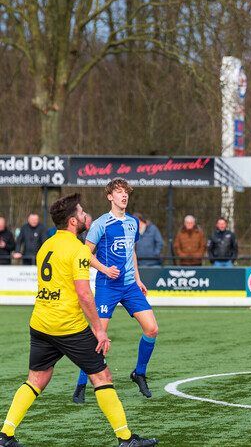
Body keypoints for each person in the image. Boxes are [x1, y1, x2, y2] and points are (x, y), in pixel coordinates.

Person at [0, 193, 157, 447]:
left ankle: (5, 435)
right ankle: (126, 439)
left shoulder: (47, 245)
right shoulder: (78, 250)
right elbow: (84, 295)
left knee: (36, 379)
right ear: (73, 221)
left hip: (40, 323)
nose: (86, 216)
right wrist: (99, 331)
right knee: (103, 376)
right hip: (68, 326)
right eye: (82, 213)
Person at [73, 178, 159, 404]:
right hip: (107, 286)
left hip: (130, 286)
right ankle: (81, 385)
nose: (124, 196)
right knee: (98, 338)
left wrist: (138, 279)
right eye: (119, 192)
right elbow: (85, 254)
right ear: (110, 196)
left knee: (152, 329)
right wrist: (104, 269)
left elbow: (131, 251)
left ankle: (139, 373)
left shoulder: (132, 222)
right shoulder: (101, 223)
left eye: (126, 193)